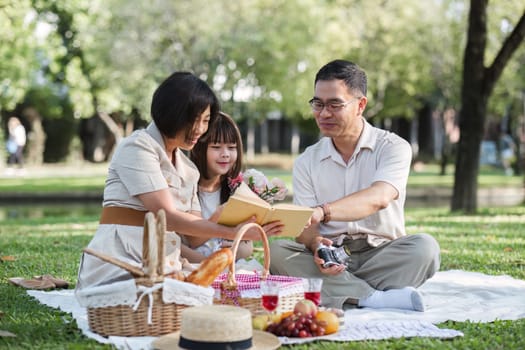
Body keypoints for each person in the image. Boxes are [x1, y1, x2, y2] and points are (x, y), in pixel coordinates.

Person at [269, 60, 440, 312]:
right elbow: (306, 228)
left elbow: (379, 197)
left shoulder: (393, 147)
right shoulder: (307, 160)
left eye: (334, 104)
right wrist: (316, 246)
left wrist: (323, 211)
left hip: (382, 254)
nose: (323, 113)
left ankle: (342, 292)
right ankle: (375, 298)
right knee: (277, 252)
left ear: (361, 105)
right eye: (318, 104)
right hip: (329, 258)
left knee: (425, 249)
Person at [76, 72, 266, 291]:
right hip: (124, 260)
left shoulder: (189, 170)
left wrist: (227, 215)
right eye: (194, 120)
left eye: (205, 121)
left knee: (238, 290)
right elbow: (165, 216)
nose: (200, 129)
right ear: (171, 114)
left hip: (168, 263)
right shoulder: (138, 146)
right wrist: (231, 233)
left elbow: (193, 239)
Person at [184, 112, 283, 263]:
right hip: (194, 266)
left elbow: (246, 248)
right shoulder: (186, 188)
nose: (225, 154)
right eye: (216, 147)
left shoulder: (235, 189)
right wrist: (219, 215)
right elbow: (190, 241)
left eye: (231, 147)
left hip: (230, 266)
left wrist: (238, 240)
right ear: (198, 148)